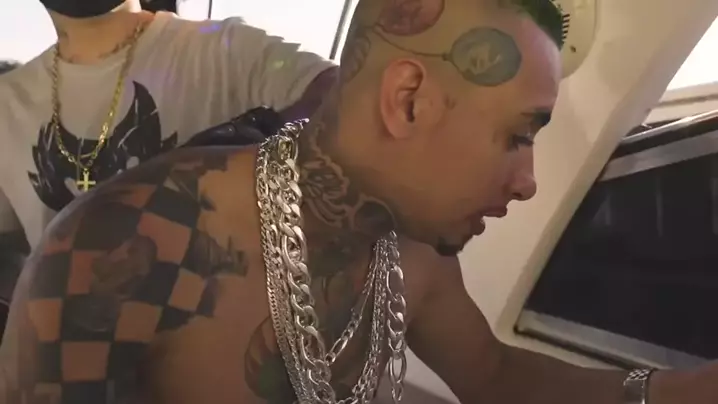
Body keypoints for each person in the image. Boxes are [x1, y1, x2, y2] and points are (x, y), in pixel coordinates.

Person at [2, 0, 717, 403]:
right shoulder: (114, 253)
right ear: (408, 100)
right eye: (515, 136)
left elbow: (495, 376)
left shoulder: (415, 249)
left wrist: (678, 393)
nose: (528, 180)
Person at [0, 0, 335, 302]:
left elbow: (343, 97)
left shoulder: (225, 50)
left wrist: (237, 164)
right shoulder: (7, 104)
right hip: (66, 343)